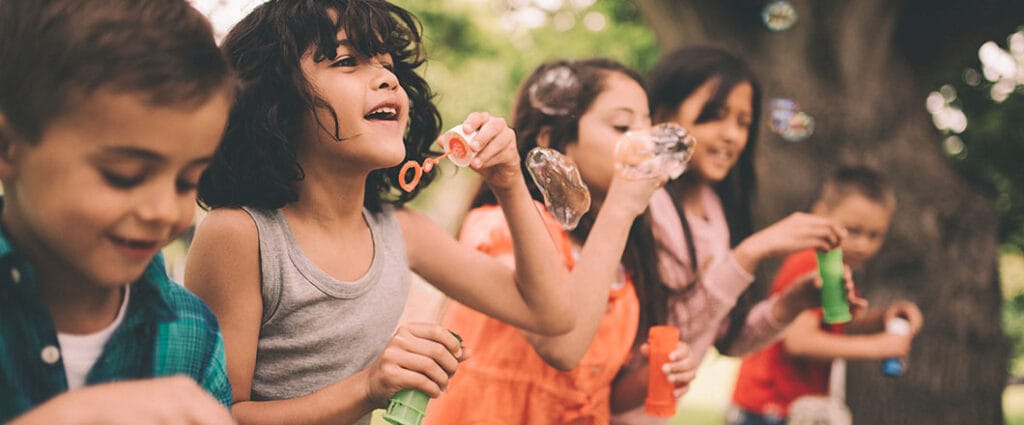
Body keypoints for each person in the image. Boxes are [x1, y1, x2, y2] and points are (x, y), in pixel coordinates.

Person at [183, 2, 574, 425]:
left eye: (388, 65)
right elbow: (214, 416)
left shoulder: (398, 230)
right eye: (347, 61)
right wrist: (367, 388)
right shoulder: (240, 235)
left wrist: (509, 182)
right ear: (275, 98)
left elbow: (549, 314)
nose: (388, 78)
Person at [0, 1, 236, 424]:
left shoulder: (193, 333)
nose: (164, 211)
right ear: (7, 147)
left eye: (187, 181)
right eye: (123, 175)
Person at [427, 58, 697, 425]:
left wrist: (652, 373)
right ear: (552, 140)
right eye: (622, 125)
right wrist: (620, 208)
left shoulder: (618, 256)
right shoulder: (500, 228)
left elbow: (594, 390)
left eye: (648, 124)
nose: (647, 142)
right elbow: (561, 348)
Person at [610, 46, 860, 424]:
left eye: (743, 123)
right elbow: (670, 332)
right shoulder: (646, 206)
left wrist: (791, 303)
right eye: (714, 116)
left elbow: (726, 338)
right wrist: (747, 255)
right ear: (661, 118)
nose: (731, 136)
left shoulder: (718, 211)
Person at [728, 166, 924, 425]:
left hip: (789, 407)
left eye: (875, 235)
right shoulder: (810, 262)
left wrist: (880, 321)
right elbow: (799, 341)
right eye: (853, 230)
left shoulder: (838, 265)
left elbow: (832, 325)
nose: (863, 245)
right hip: (769, 407)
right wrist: (878, 346)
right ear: (820, 214)